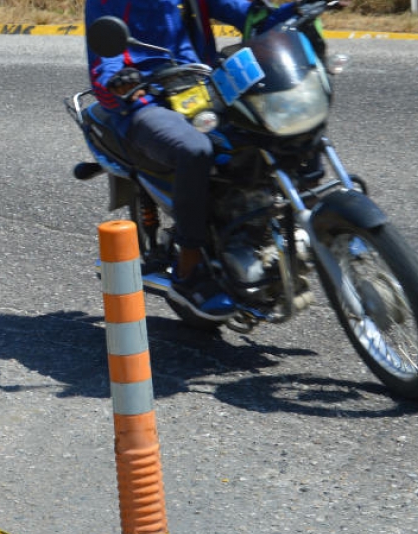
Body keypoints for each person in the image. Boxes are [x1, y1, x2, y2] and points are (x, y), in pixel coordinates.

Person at [85, 0, 295, 321]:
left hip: (201, 87)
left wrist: (301, 9)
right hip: (143, 99)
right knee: (194, 149)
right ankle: (189, 264)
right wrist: (118, 81)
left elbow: (250, 14)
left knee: (275, 119)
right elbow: (105, 60)